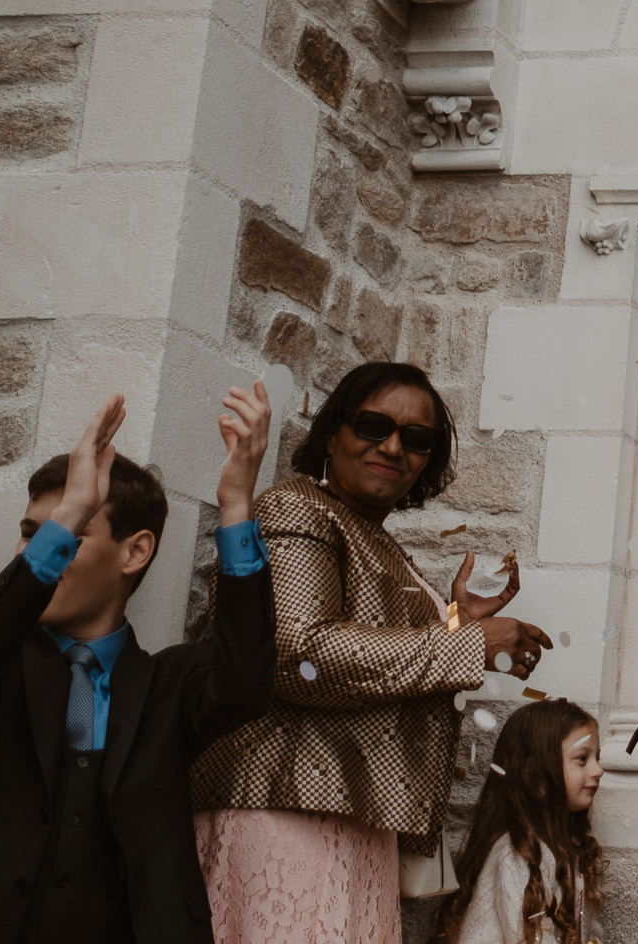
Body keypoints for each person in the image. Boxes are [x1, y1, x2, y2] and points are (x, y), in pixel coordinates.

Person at [191, 361, 555, 944]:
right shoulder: (296, 509)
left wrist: (458, 617)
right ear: (333, 433)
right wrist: (464, 643)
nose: (392, 446)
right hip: (284, 807)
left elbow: (383, 658)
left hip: (349, 816)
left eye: (416, 439)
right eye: (372, 425)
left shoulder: (372, 535)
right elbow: (299, 654)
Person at [0, 382, 276, 944]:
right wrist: (72, 512)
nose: (38, 552)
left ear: (135, 552)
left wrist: (235, 507)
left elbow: (247, 680)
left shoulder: (169, 686)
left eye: (68, 538)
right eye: (32, 536)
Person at [434, 699, 607, 944]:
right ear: (537, 772)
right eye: (582, 759)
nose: (598, 770)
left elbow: (584, 929)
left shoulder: (569, 850)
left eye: (597, 758)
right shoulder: (517, 854)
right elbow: (526, 938)